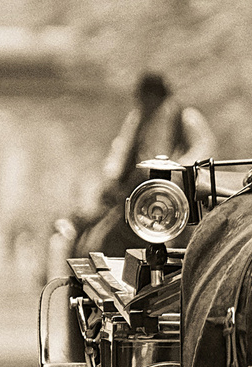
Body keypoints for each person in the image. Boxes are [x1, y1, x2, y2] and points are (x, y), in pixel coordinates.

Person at [83, 72, 216, 256]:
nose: (145, 103)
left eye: (148, 98)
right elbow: (121, 149)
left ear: (158, 96)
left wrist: (176, 167)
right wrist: (113, 177)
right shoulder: (137, 119)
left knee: (186, 230)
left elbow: (203, 147)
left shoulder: (184, 117)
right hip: (139, 186)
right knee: (108, 229)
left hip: (175, 188)